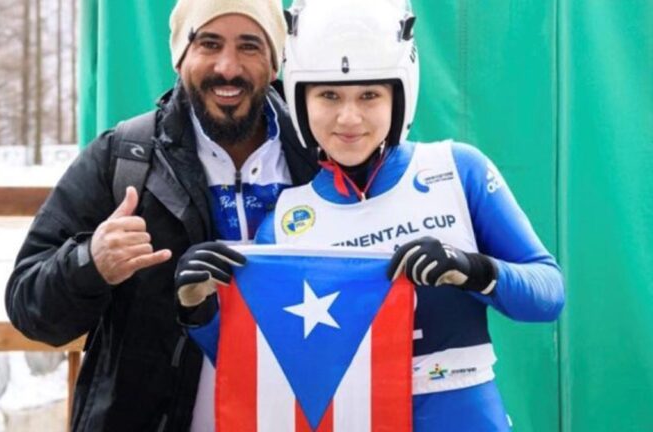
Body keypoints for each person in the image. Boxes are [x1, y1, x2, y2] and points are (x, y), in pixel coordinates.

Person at [174, 0, 565, 430]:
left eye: (369, 95)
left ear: (400, 94)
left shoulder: (456, 170)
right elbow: (256, 363)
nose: (349, 117)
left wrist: (471, 270)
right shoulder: (288, 215)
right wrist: (198, 308)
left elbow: (548, 294)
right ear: (300, 99)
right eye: (328, 95)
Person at [4, 0, 318, 429]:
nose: (228, 67)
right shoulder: (124, 158)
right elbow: (28, 304)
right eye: (209, 43)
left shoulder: (319, 158)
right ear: (180, 56)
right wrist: (90, 263)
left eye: (249, 46)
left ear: (275, 62)